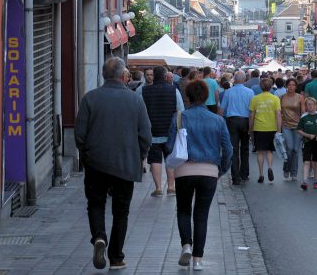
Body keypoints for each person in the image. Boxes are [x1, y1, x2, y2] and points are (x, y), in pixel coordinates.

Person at [74, 57, 152, 270]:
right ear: (123, 76)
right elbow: (145, 134)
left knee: (96, 203)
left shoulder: (90, 98)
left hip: (96, 163)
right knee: (121, 211)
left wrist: (87, 155)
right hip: (125, 164)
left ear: (103, 75)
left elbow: (79, 134)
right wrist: (140, 156)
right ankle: (116, 256)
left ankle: (99, 236)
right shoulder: (135, 100)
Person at [168, 80, 233, 271]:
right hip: (209, 171)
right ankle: (198, 260)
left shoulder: (179, 117)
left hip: (184, 170)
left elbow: (170, 145)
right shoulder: (218, 120)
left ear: (187, 96)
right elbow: (228, 149)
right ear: (206, 96)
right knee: (202, 215)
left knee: (183, 210)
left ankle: (186, 245)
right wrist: (222, 168)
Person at [142, 66, 181, 198]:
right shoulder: (173, 90)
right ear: (165, 77)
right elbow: (180, 110)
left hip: (152, 131)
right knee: (170, 159)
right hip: (170, 132)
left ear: (154, 76)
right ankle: (171, 187)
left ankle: (158, 188)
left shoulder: (144, 91)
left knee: (155, 160)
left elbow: (140, 111)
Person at [219, 71, 254, 185]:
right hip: (245, 121)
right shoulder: (250, 92)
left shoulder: (228, 92)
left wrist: (220, 122)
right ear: (244, 80)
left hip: (232, 121)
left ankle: (235, 177)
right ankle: (244, 174)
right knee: (245, 148)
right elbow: (252, 111)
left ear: (234, 79)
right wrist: (251, 126)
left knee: (234, 149)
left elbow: (221, 109)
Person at [249, 78, 282, 183]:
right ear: (271, 86)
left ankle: (261, 174)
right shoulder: (275, 98)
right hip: (271, 127)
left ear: (260, 87)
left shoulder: (255, 98)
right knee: (269, 150)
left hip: (259, 127)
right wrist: (279, 129)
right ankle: (270, 167)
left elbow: (252, 116)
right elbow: (278, 115)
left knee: (260, 152)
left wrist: (250, 129)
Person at [296, 97, 317, 190]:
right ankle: (304, 182)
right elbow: (299, 130)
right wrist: (308, 135)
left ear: (316, 105)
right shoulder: (304, 117)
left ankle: (316, 181)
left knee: (316, 162)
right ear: (305, 106)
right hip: (307, 141)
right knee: (306, 161)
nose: (310, 106)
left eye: (312, 104)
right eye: (308, 104)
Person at [280, 78, 305, 181]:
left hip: (297, 126)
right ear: (286, 86)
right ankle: (286, 169)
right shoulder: (281, 97)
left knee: (295, 150)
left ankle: (294, 172)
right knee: (289, 148)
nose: (291, 87)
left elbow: (303, 112)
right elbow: (278, 112)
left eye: (293, 85)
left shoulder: (300, 97)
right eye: (289, 85)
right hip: (286, 126)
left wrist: (304, 126)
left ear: (296, 86)